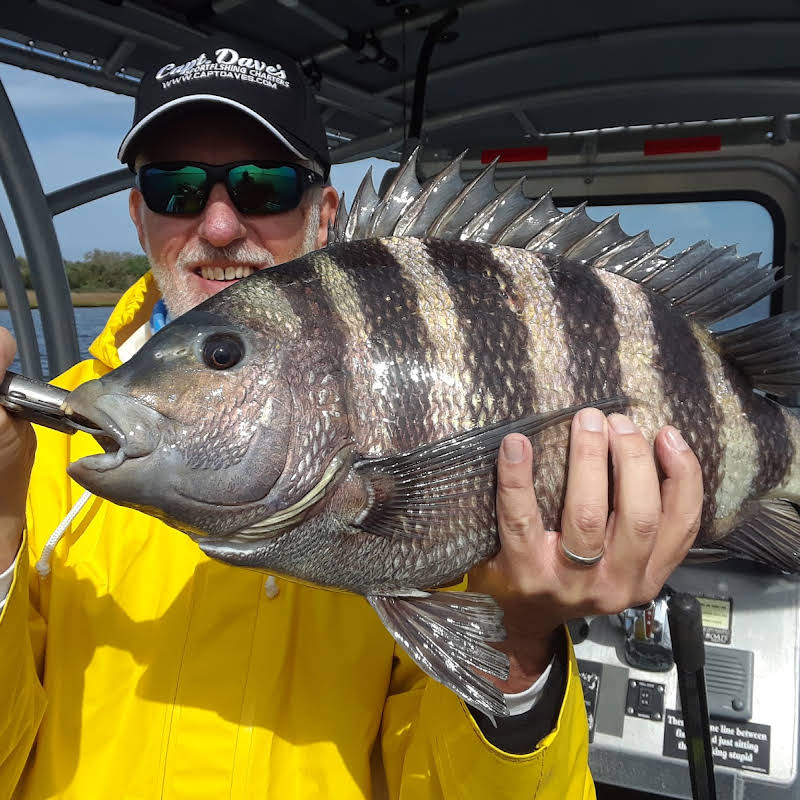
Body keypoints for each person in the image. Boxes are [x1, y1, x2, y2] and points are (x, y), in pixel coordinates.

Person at [0, 38, 703, 799]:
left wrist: (523, 640)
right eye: (176, 188)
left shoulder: (427, 456)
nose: (222, 224)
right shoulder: (31, 455)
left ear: (324, 211)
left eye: (264, 185)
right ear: (140, 215)